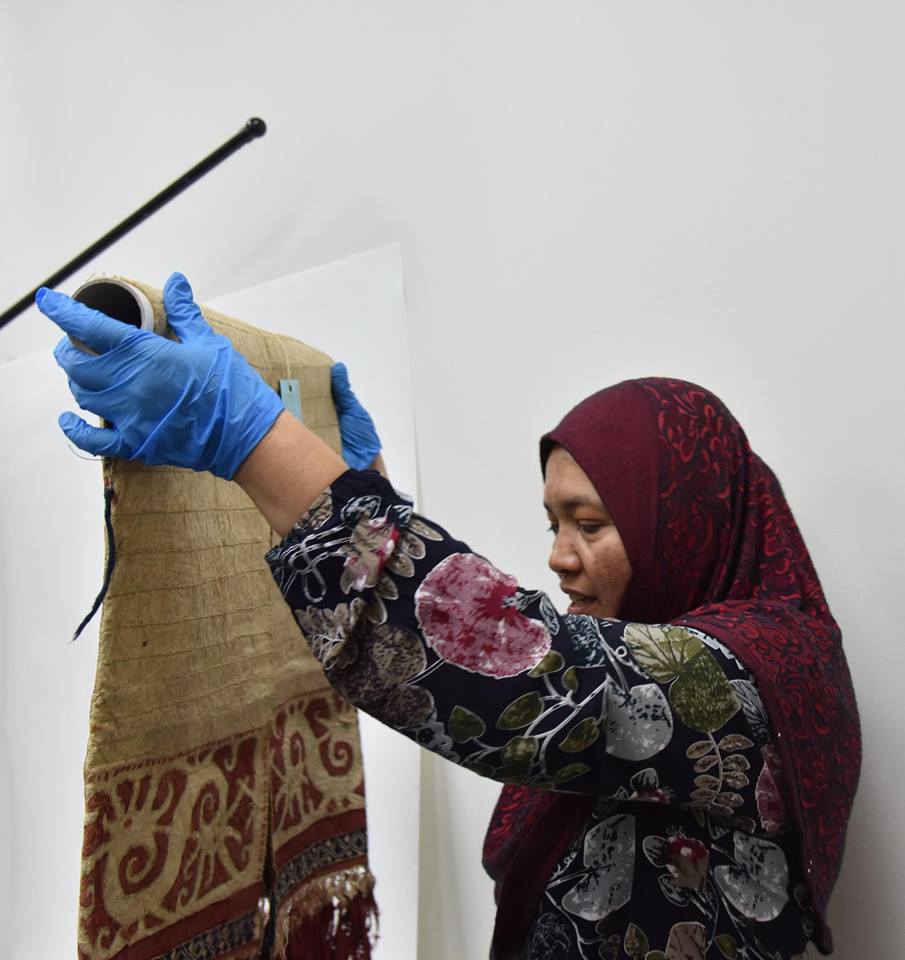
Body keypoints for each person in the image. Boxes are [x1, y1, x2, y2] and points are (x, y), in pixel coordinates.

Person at [37, 274, 860, 960]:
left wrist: (252, 439)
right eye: (553, 523)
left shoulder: (757, 671)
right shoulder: (745, 646)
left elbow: (530, 679)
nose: (558, 557)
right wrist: (365, 500)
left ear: (685, 521)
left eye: (592, 524)